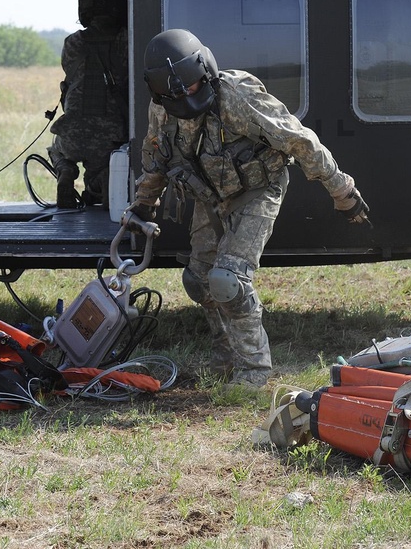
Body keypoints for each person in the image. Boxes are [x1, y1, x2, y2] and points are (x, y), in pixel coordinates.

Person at [127, 29, 370, 387]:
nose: (184, 96)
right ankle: (225, 355)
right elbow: (156, 158)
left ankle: (253, 371)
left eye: (190, 87)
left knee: (228, 281)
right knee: (199, 279)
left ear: (204, 71)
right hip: (210, 193)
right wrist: (143, 205)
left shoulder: (237, 96)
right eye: (173, 93)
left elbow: (300, 141)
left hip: (259, 189)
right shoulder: (163, 110)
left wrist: (342, 191)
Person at [47, 0, 129, 209]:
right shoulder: (127, 41)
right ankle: (99, 183)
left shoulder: (72, 43)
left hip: (73, 133)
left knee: (56, 147)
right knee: (103, 166)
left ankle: (65, 171)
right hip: (111, 135)